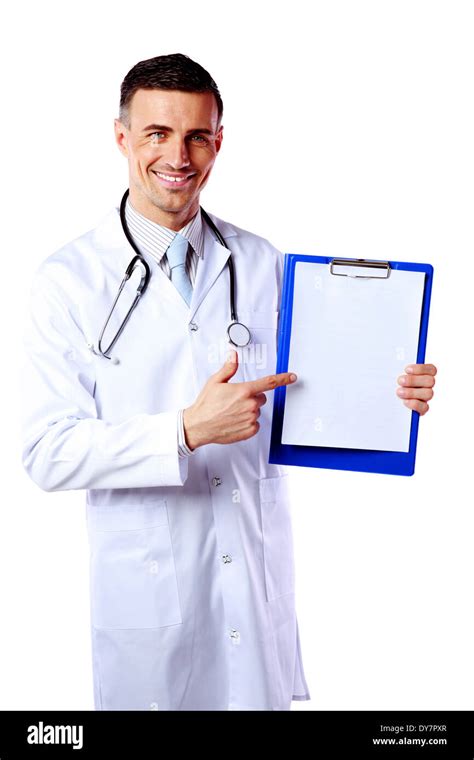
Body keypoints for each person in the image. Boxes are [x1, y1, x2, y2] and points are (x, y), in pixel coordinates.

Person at [21, 53, 437, 711]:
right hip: (148, 604)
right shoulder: (67, 282)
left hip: (251, 585)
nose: (177, 155)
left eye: (196, 135)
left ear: (219, 141)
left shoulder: (261, 261)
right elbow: (46, 452)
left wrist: (391, 394)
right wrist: (185, 431)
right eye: (158, 133)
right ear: (122, 137)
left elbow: (306, 397)